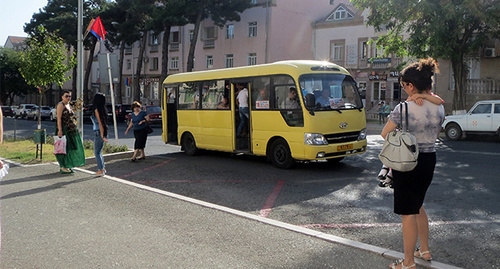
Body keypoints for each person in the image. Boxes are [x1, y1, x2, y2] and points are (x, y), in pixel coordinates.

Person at [381, 58, 444, 269]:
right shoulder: (439, 107)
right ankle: (424, 249)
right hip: (429, 160)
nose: (404, 89)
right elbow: (437, 101)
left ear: (411, 85)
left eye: (404, 85)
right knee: (418, 205)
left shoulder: (404, 108)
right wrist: (420, 96)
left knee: (408, 213)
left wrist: (411, 101)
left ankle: (408, 262)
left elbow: (385, 134)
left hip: (408, 162)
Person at [55, 90, 85, 174]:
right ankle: (63, 166)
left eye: (69, 96)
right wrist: (60, 130)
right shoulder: (60, 105)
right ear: (62, 97)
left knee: (73, 146)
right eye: (66, 96)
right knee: (64, 148)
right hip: (64, 129)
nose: (68, 98)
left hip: (71, 129)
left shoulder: (69, 105)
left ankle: (68, 164)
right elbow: (59, 118)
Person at [90, 93, 109, 177]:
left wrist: (102, 136)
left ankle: (100, 169)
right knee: (99, 151)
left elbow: (100, 124)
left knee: (97, 152)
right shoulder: (102, 109)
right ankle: (102, 168)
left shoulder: (96, 109)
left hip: (98, 131)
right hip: (100, 131)